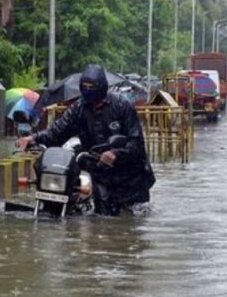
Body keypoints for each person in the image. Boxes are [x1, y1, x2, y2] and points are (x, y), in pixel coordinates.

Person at [16, 64, 155, 216]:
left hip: (130, 177)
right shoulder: (79, 108)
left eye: (92, 87)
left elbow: (137, 143)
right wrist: (33, 138)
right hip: (100, 172)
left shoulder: (122, 106)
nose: (88, 91)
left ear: (102, 87)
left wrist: (115, 153)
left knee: (134, 224)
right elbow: (57, 132)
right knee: (102, 218)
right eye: (85, 87)